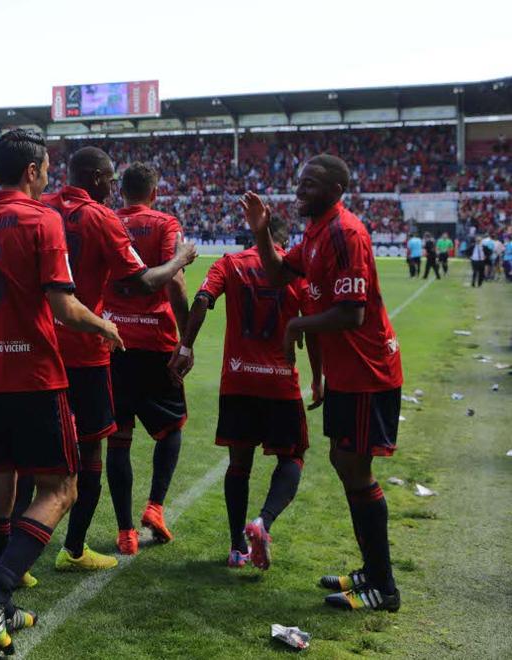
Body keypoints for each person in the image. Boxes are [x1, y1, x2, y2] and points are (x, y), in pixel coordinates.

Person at [0, 129, 124, 655]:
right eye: (47, 168)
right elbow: (64, 307)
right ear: (32, 171)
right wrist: (105, 328)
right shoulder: (42, 220)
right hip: (34, 376)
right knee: (60, 490)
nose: (50, 175)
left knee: (0, 491)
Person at [242, 153, 403, 612]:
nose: (299, 190)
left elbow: (352, 315)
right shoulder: (314, 233)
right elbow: (276, 274)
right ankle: (372, 571)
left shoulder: (344, 232)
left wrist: (298, 326)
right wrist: (260, 230)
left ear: (335, 189)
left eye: (310, 183)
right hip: (347, 376)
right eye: (299, 181)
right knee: (345, 463)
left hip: (368, 372)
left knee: (357, 469)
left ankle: (384, 587)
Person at [30, 148, 194, 572]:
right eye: (105, 178)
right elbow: (153, 283)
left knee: (46, 452)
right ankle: (84, 543)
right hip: (100, 347)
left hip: (45, 345)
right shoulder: (118, 219)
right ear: (99, 178)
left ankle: (34, 554)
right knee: (107, 446)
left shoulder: (41, 208)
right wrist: (180, 261)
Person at [174, 212, 320, 570]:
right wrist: (319, 376)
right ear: (284, 241)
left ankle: (237, 547)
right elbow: (313, 325)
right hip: (280, 383)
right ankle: (263, 522)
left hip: (238, 379)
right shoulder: (294, 271)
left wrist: (185, 347)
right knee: (294, 456)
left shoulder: (230, 263)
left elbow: (202, 299)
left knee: (238, 464)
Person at [102, 162, 193, 555]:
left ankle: (125, 533)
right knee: (170, 429)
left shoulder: (104, 220)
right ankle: (155, 507)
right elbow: (174, 281)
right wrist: (185, 341)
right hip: (155, 343)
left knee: (118, 440)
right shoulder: (165, 223)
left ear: (121, 191)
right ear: (154, 193)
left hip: (113, 342)